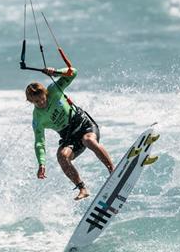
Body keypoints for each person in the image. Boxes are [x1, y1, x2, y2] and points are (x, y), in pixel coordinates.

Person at [26, 65, 115, 200]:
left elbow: (73, 72)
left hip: (84, 125)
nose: (42, 102)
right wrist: (41, 163)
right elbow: (39, 142)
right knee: (62, 156)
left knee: (88, 140)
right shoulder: (37, 118)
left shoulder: (54, 90)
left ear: (45, 93)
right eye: (37, 101)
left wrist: (55, 72)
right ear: (31, 101)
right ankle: (82, 188)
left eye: (43, 98)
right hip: (69, 137)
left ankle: (113, 171)